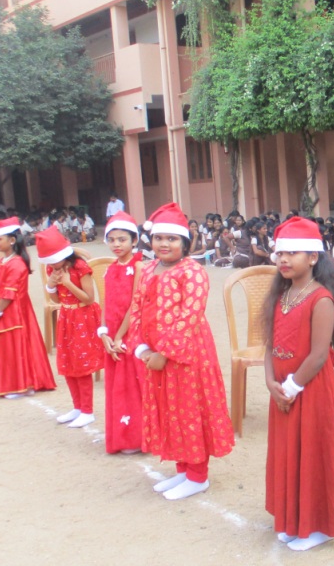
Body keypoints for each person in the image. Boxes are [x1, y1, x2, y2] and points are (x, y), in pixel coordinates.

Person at [264, 217, 334, 551]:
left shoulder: (321, 299)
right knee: (290, 454)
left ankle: (321, 526)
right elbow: (269, 344)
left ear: (313, 257)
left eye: (293, 253)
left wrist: (291, 388)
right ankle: (294, 519)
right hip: (283, 392)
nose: (284, 259)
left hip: (310, 391)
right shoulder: (281, 295)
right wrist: (270, 382)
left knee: (314, 454)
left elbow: (319, 355)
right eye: (280, 253)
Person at [127, 203, 234, 500]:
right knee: (169, 411)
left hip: (187, 355)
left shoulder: (193, 272)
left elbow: (190, 316)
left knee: (189, 410)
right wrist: (142, 348)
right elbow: (137, 307)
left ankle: (198, 476)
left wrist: (164, 353)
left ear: (185, 242)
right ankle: (183, 470)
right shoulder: (148, 269)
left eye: (172, 239)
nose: (164, 243)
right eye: (159, 238)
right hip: (155, 355)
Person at [37, 226, 107, 429]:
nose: (51, 265)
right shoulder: (53, 269)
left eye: (54, 260)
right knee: (68, 363)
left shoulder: (80, 267)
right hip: (66, 317)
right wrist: (51, 285)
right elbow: (56, 299)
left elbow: (89, 298)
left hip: (83, 317)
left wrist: (68, 283)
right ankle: (77, 407)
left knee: (82, 365)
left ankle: (87, 411)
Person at [0, 217, 56, 398]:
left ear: (12, 240)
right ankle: (14, 382)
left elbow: (10, 292)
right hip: (4, 309)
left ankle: (23, 384)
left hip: (14, 311)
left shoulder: (17, 263)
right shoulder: (3, 262)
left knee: (16, 347)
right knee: (8, 349)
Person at [99, 212, 146, 454]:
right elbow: (105, 302)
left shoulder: (138, 267)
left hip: (130, 333)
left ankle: (137, 437)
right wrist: (104, 333)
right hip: (112, 334)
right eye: (111, 240)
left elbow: (136, 304)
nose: (116, 244)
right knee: (117, 386)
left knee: (132, 385)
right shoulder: (109, 269)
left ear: (134, 240)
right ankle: (122, 435)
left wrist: (119, 336)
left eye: (122, 239)